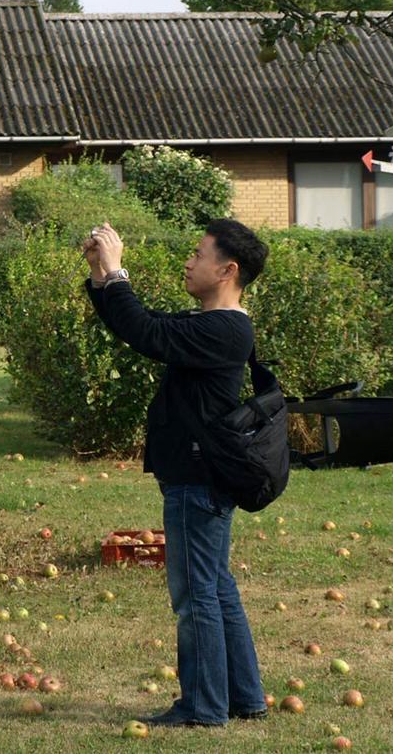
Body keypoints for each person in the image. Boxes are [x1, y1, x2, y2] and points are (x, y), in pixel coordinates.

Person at [82, 218, 270, 728]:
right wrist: (103, 278)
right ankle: (244, 696)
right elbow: (141, 329)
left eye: (198, 253)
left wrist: (117, 272)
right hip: (202, 474)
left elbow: (148, 330)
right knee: (217, 586)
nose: (189, 261)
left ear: (227, 269)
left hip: (197, 477)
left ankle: (203, 706)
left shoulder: (225, 327)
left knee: (195, 595)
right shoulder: (216, 324)